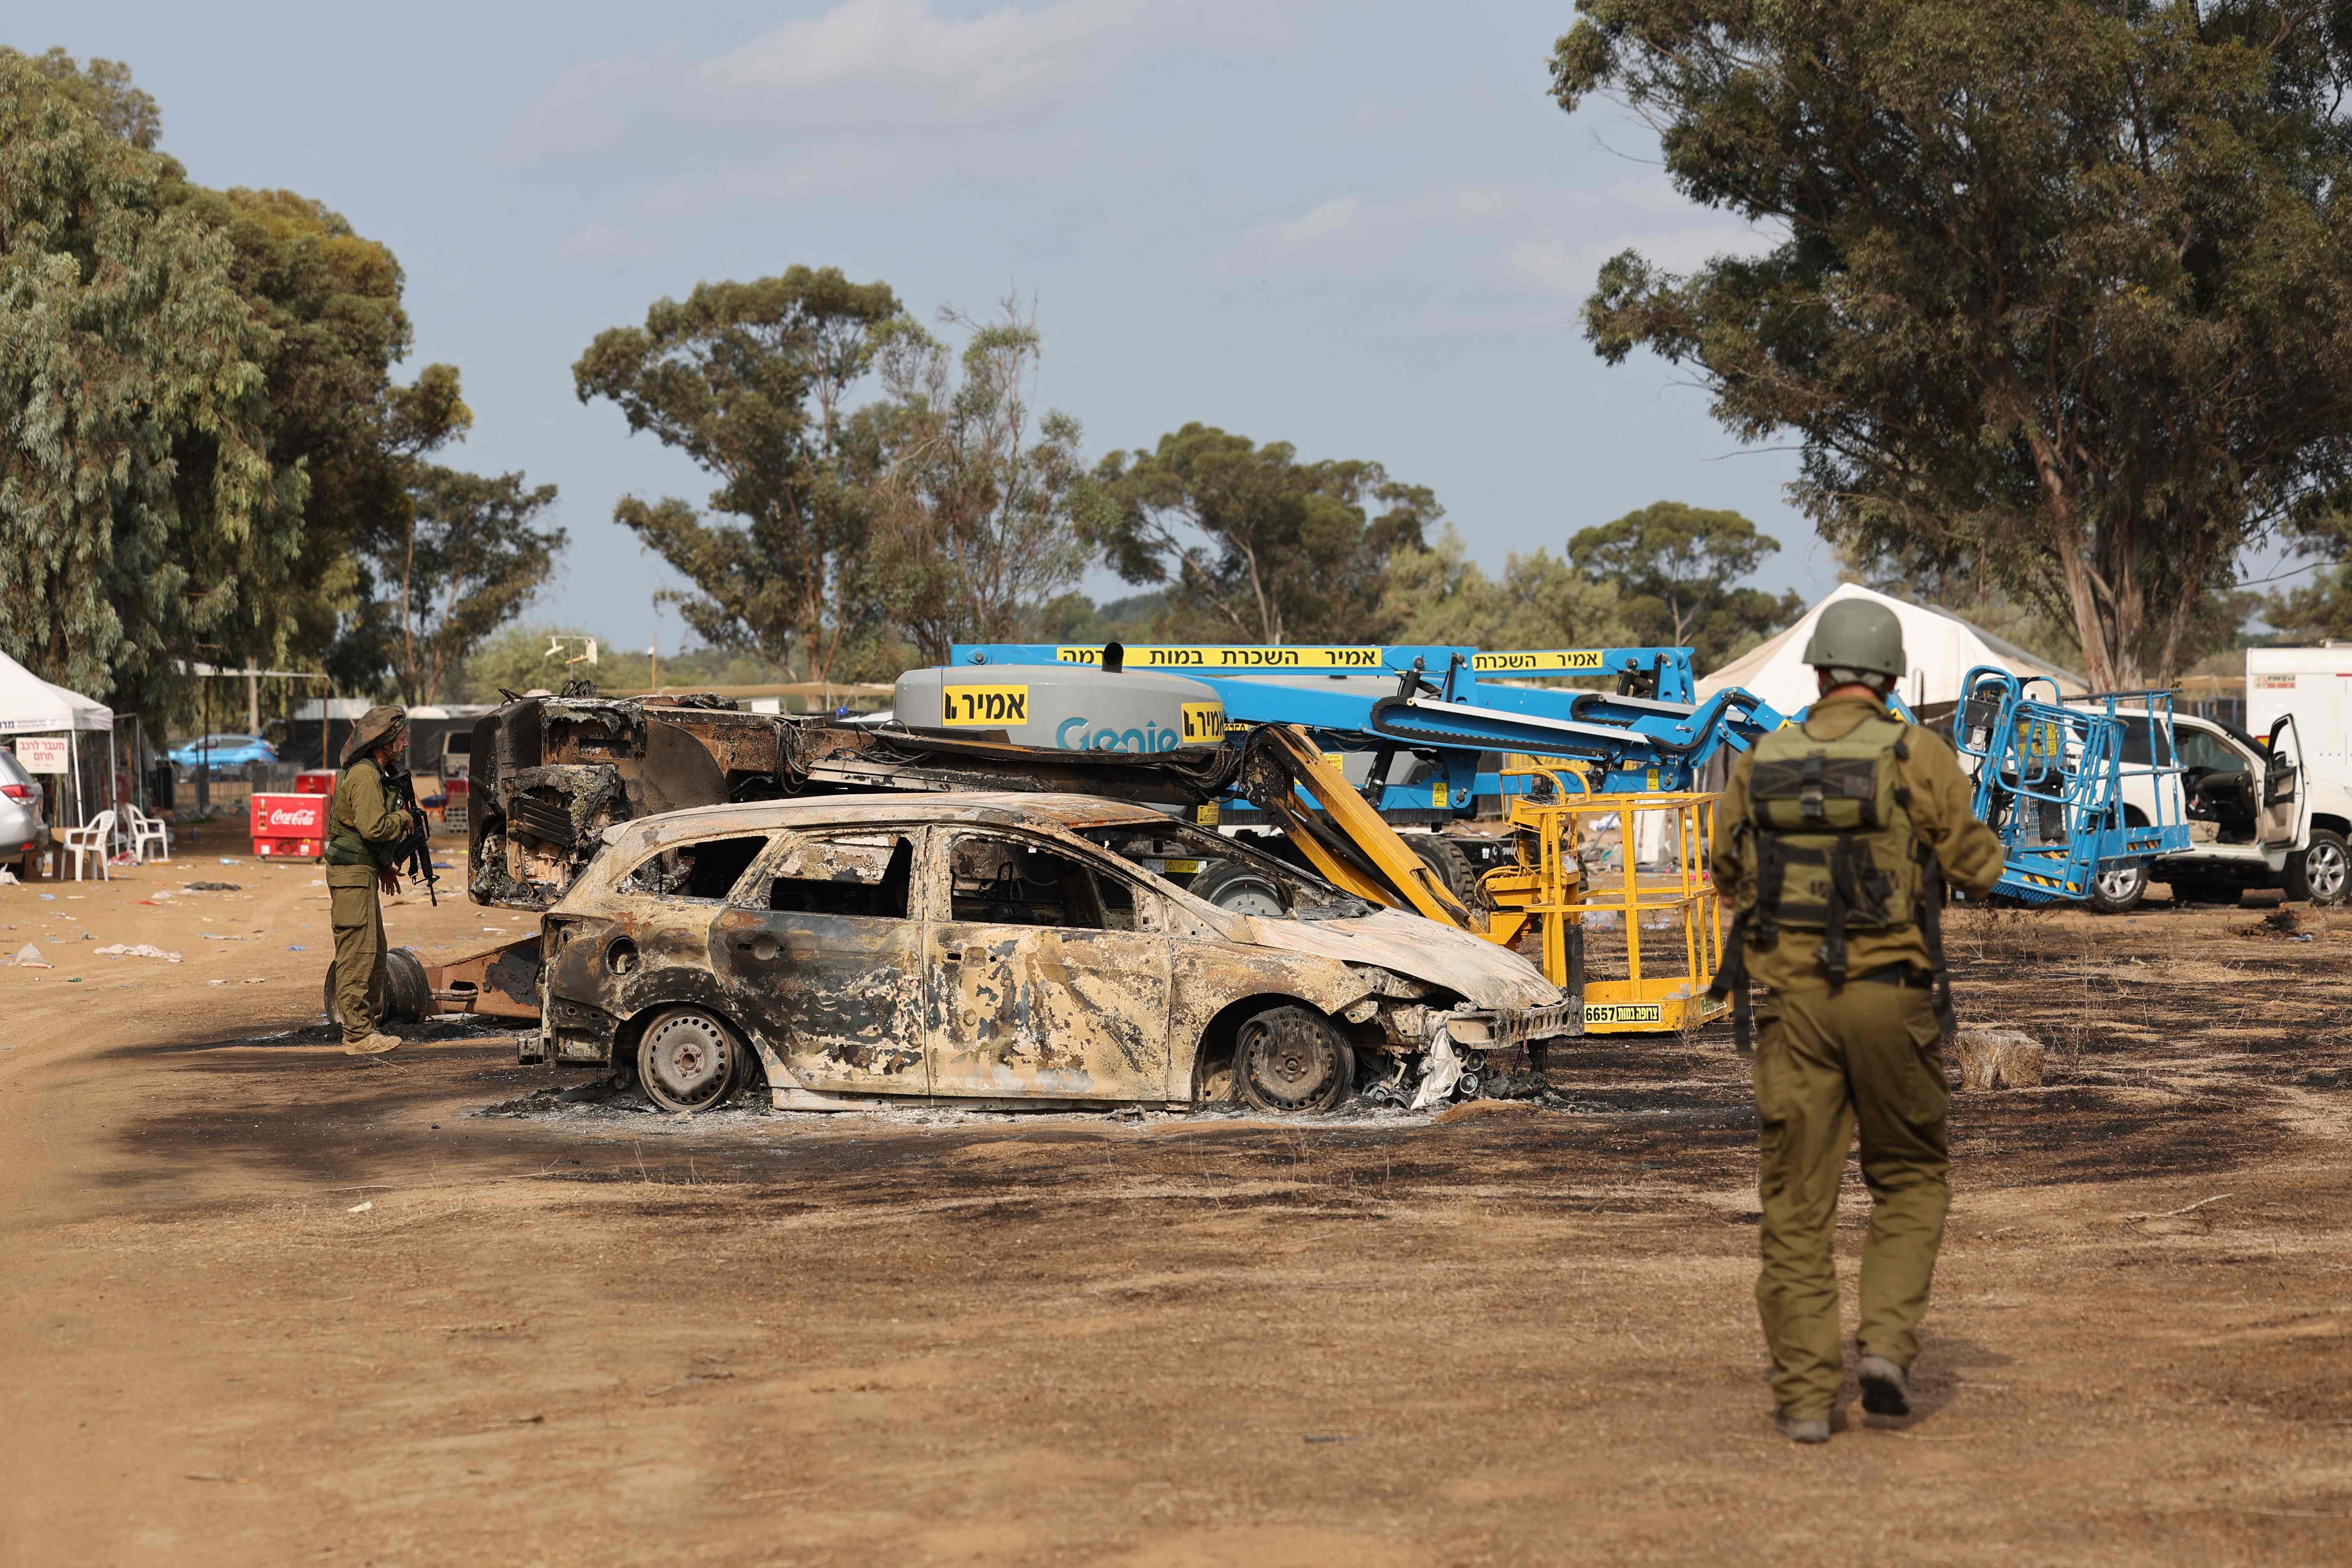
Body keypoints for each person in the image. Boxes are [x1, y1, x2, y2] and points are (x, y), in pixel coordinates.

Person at [1709, 600, 2007, 1443]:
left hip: (1792, 1010)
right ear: (1889, 678)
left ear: (1819, 672)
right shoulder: (1919, 754)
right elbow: (1979, 866)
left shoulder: (1761, 757)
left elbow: (1725, 867)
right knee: (1910, 1177)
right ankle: (1882, 1347)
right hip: (1893, 1000)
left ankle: (1807, 1398)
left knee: (1797, 1204)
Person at [325, 705, 416, 1057]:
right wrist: (402, 819)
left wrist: (384, 867)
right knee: (357, 954)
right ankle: (358, 1036)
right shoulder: (365, 776)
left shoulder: (373, 774)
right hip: (350, 876)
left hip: (360, 872)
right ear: (385, 741)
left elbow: (359, 832)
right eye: (401, 737)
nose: (405, 743)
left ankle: (365, 1026)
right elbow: (373, 827)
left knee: (374, 950)